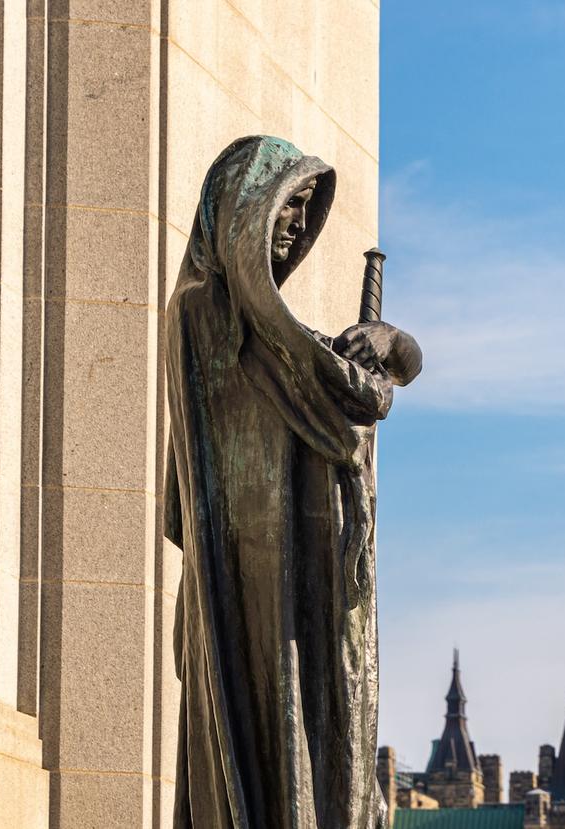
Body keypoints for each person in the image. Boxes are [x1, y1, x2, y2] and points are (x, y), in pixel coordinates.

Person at [164, 135, 420, 828]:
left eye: (307, 210)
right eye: (291, 205)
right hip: (250, 593)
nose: (300, 225)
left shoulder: (277, 336)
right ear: (247, 208)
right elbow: (354, 400)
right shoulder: (205, 316)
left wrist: (391, 345)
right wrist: (377, 364)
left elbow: (371, 380)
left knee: (321, 751)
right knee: (270, 760)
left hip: (304, 589)